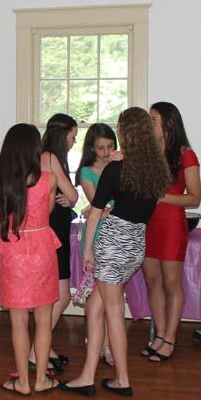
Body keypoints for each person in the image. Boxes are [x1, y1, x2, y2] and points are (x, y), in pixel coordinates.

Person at [66, 107, 169, 398]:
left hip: (113, 244)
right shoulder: (155, 169)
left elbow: (96, 213)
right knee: (95, 308)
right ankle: (87, 375)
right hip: (136, 244)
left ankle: (122, 378)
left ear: (124, 132)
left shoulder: (116, 168)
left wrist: (88, 252)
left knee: (112, 311)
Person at [0, 123, 61, 395]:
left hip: (14, 251)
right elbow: (48, 211)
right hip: (42, 248)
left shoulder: (1, 181)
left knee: (18, 322)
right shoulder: (49, 179)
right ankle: (41, 379)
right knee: (43, 320)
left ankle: (23, 383)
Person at [142, 102, 201, 363]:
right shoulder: (147, 153)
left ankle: (170, 338)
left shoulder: (185, 154)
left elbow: (194, 198)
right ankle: (160, 333)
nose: (149, 124)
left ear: (167, 123)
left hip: (171, 226)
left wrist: (162, 197)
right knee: (152, 282)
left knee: (170, 283)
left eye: (153, 119)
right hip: (147, 224)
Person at [75, 123, 118, 367]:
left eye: (110, 146)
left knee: (110, 295)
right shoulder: (86, 172)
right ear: (92, 148)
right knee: (97, 293)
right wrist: (113, 209)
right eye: (100, 147)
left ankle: (104, 343)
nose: (105, 151)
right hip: (96, 234)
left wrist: (105, 210)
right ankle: (101, 343)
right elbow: (97, 204)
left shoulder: (121, 166)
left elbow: (103, 207)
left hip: (117, 234)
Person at [39, 113, 79, 371]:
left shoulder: (45, 156)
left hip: (56, 231)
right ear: (61, 134)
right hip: (54, 233)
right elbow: (73, 194)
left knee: (57, 296)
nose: (74, 142)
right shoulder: (50, 157)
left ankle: (44, 348)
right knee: (61, 296)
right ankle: (36, 350)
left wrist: (68, 198)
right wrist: (70, 197)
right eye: (72, 136)